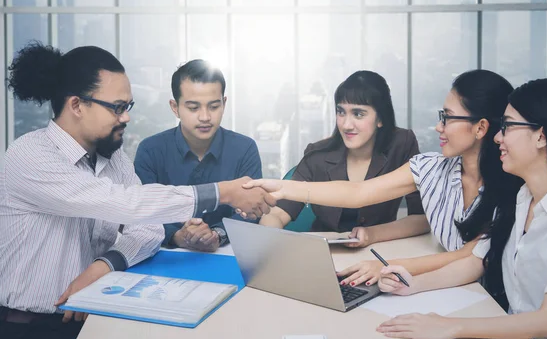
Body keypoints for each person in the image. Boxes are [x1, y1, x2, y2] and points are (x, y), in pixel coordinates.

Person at [0, 43, 274, 339]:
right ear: (76, 105)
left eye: (128, 106)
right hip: (31, 330)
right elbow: (126, 204)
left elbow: (147, 227)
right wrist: (224, 192)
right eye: (117, 107)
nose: (126, 117)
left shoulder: (111, 158)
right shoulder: (30, 156)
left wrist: (105, 265)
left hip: (94, 314)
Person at [376, 77, 547, 339]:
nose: (498, 138)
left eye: (507, 127)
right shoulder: (522, 197)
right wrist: (413, 284)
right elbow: (476, 260)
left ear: (541, 136)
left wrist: (451, 326)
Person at [247, 69, 520, 287]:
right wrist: (283, 187)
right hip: (444, 284)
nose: (438, 126)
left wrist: (387, 265)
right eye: (341, 111)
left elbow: (468, 257)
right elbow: (358, 193)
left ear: (481, 127)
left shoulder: (511, 185)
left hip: (490, 296)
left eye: (446, 118)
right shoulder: (430, 168)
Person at [259, 71, 429, 246]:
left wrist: (374, 234)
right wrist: (268, 240)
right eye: (341, 112)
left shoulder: (401, 145)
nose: (347, 125)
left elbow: (422, 218)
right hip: (324, 254)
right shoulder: (317, 155)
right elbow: (277, 214)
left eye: (358, 114)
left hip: (380, 254)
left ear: (380, 118)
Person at [135, 59, 262, 252]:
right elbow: (142, 212)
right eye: (193, 108)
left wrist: (217, 234)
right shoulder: (151, 150)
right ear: (174, 107)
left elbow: (253, 210)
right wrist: (178, 236)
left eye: (213, 106)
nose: (205, 117)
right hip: (164, 258)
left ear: (224, 103)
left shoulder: (244, 148)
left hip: (228, 255)